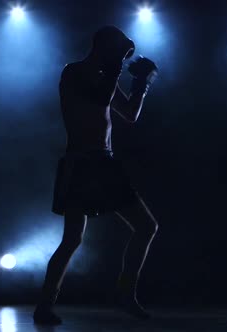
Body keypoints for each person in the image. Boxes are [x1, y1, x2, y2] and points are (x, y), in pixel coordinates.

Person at [33, 26, 159, 325]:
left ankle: (125, 294)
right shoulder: (74, 72)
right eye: (117, 51)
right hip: (81, 162)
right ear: (103, 48)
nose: (120, 57)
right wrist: (118, 68)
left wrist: (141, 84)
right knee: (72, 239)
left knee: (146, 226)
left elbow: (129, 113)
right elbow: (100, 98)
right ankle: (45, 305)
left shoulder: (105, 76)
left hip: (104, 162)